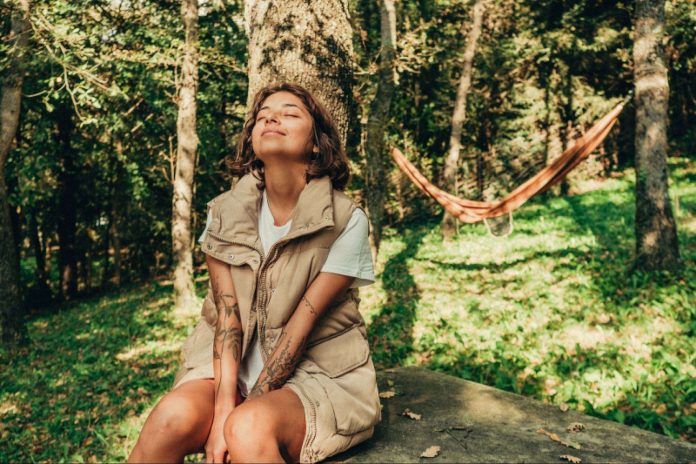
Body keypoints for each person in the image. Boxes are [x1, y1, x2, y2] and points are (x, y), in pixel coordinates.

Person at [128, 82, 382, 464]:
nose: (272, 119)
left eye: (289, 113)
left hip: (318, 377)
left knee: (246, 429)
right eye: (263, 116)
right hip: (230, 374)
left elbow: (301, 328)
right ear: (252, 141)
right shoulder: (222, 214)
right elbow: (227, 319)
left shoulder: (346, 220)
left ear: (317, 144)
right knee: (169, 418)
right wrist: (222, 410)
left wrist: (237, 419)